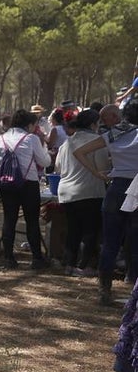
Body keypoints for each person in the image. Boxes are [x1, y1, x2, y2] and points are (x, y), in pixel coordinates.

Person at [67, 102, 138, 304]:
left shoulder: (113, 135)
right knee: (135, 243)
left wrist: (96, 173)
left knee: (110, 243)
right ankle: (134, 292)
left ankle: (104, 291)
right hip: (136, 188)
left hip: (116, 188)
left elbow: (79, 152)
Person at [0, 109, 51, 269]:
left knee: (9, 219)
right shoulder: (31, 139)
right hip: (28, 184)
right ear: (29, 125)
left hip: (6, 184)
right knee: (32, 221)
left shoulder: (0, 139)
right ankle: (37, 259)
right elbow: (44, 162)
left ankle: (8, 258)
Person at [56, 109, 107, 276]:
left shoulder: (66, 143)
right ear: (94, 124)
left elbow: (57, 167)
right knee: (90, 230)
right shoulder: (97, 141)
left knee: (73, 229)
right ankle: (85, 266)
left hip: (67, 192)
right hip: (89, 191)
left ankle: (69, 264)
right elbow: (103, 168)